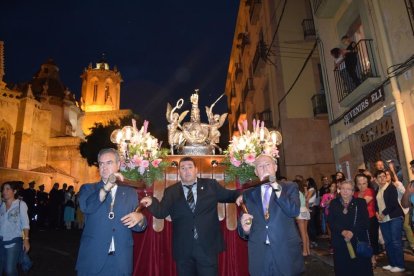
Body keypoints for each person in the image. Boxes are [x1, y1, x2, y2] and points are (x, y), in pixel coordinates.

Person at [140, 156, 241, 276]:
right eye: (183, 168)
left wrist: (239, 196)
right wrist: (152, 201)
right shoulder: (171, 191)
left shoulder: (210, 185)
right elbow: (161, 212)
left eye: (190, 167)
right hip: (183, 248)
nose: (187, 171)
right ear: (179, 172)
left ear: (196, 170)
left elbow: (229, 195)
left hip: (207, 247)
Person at [76, 148, 147, 276]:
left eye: (109, 163)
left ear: (118, 165)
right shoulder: (88, 188)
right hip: (93, 260)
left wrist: (140, 218)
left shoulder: (130, 192)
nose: (104, 167)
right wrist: (107, 186)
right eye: (101, 163)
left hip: (121, 261)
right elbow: (87, 207)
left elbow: (137, 226)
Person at [238, 154, 304, 276]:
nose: (264, 168)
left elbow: (293, 211)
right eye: (260, 166)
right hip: (260, 253)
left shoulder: (290, 187)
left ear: (275, 167)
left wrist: (275, 186)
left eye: (268, 164)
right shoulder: (248, 194)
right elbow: (243, 230)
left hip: (285, 251)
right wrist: (245, 229)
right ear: (256, 172)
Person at [328, 180, 373, 276]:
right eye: (343, 188)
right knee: (343, 268)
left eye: (348, 189)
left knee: (360, 268)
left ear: (353, 192)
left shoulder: (360, 203)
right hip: (340, 241)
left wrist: (352, 232)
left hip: (357, 240)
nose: (345, 191)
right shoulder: (334, 203)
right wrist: (342, 231)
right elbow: (331, 221)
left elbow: (365, 222)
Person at [375, 170, 405, 272]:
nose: (382, 178)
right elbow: (376, 204)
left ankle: (400, 265)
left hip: (394, 217)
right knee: (387, 242)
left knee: (396, 241)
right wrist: (376, 213)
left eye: (383, 176)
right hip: (383, 220)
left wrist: (382, 214)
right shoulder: (377, 190)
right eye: (379, 177)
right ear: (376, 179)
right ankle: (392, 264)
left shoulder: (391, 187)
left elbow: (393, 204)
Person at [0, 181, 31, 275]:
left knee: (9, 270)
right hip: (1, 240)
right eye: (3, 189)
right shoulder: (1, 205)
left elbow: (25, 224)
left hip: (13, 241)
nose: (4, 191)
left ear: (14, 191)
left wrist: (26, 240)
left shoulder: (21, 204)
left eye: (7, 189)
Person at [354, 174, 379, 268]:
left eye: (364, 183)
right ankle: (366, 257)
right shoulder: (355, 194)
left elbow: (362, 204)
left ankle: (373, 259)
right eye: (359, 184)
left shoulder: (370, 191)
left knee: (372, 239)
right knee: (363, 240)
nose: (362, 186)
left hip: (371, 219)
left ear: (367, 183)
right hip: (360, 221)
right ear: (356, 184)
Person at [295, 179, 311, 256]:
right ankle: (308, 250)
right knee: (305, 232)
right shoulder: (301, 192)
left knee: (302, 233)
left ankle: (304, 250)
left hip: (300, 211)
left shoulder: (296, 193)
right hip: (305, 210)